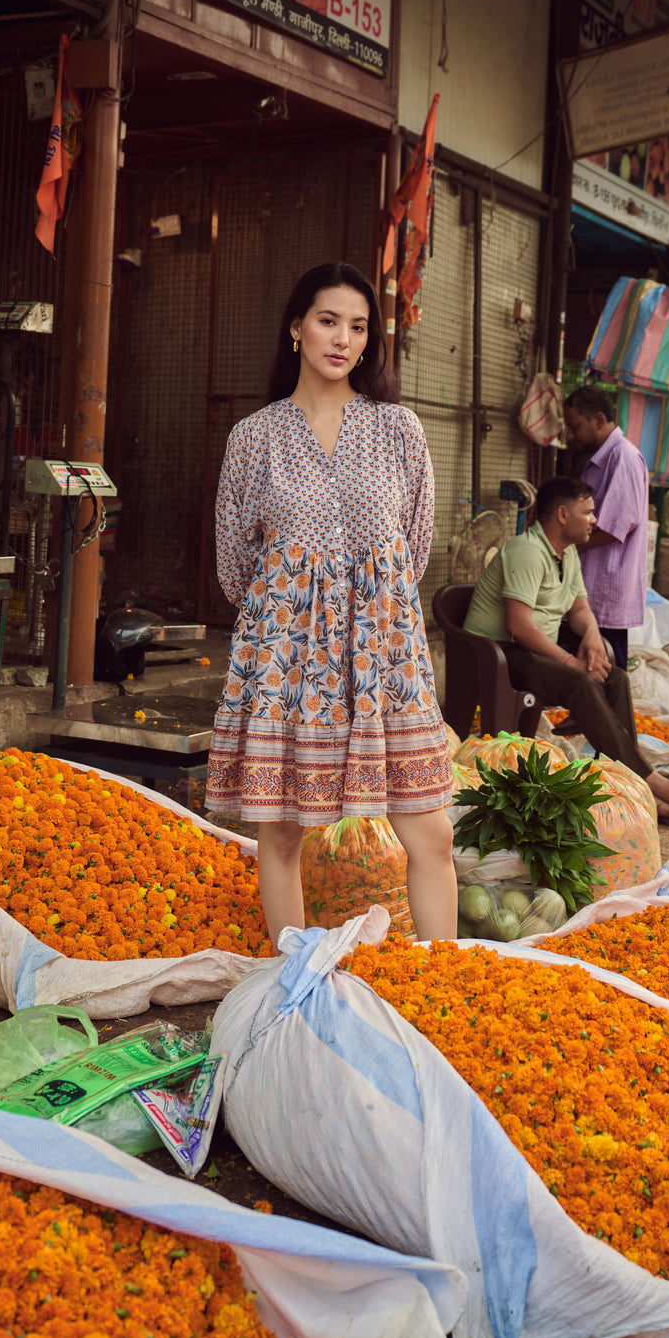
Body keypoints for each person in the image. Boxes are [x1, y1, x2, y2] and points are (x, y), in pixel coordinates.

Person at [206, 261, 457, 946]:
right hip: (290, 664)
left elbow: (414, 546)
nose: (343, 339)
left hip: (386, 659)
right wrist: (296, 611)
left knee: (431, 834)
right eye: (327, 321)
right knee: (282, 835)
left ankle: (442, 979)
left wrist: (365, 608)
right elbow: (235, 567)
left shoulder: (400, 429)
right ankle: (295, 982)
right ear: (295, 328)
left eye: (357, 326)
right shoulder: (253, 438)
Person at [463, 476, 669, 824]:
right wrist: (570, 661)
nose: (594, 520)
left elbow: (579, 609)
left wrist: (591, 635)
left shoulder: (567, 553)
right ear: (562, 514)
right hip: (498, 654)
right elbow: (519, 625)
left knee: (615, 678)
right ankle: (648, 783)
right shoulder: (526, 551)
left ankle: (633, 789)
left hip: (533, 651)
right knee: (581, 682)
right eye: (587, 512)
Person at [563, 386, 649, 671]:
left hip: (606, 590)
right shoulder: (598, 459)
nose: (572, 435)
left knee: (608, 674)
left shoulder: (623, 456)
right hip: (590, 589)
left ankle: (613, 718)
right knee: (588, 671)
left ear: (599, 420)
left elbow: (615, 527)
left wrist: (561, 545)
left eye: (576, 426)